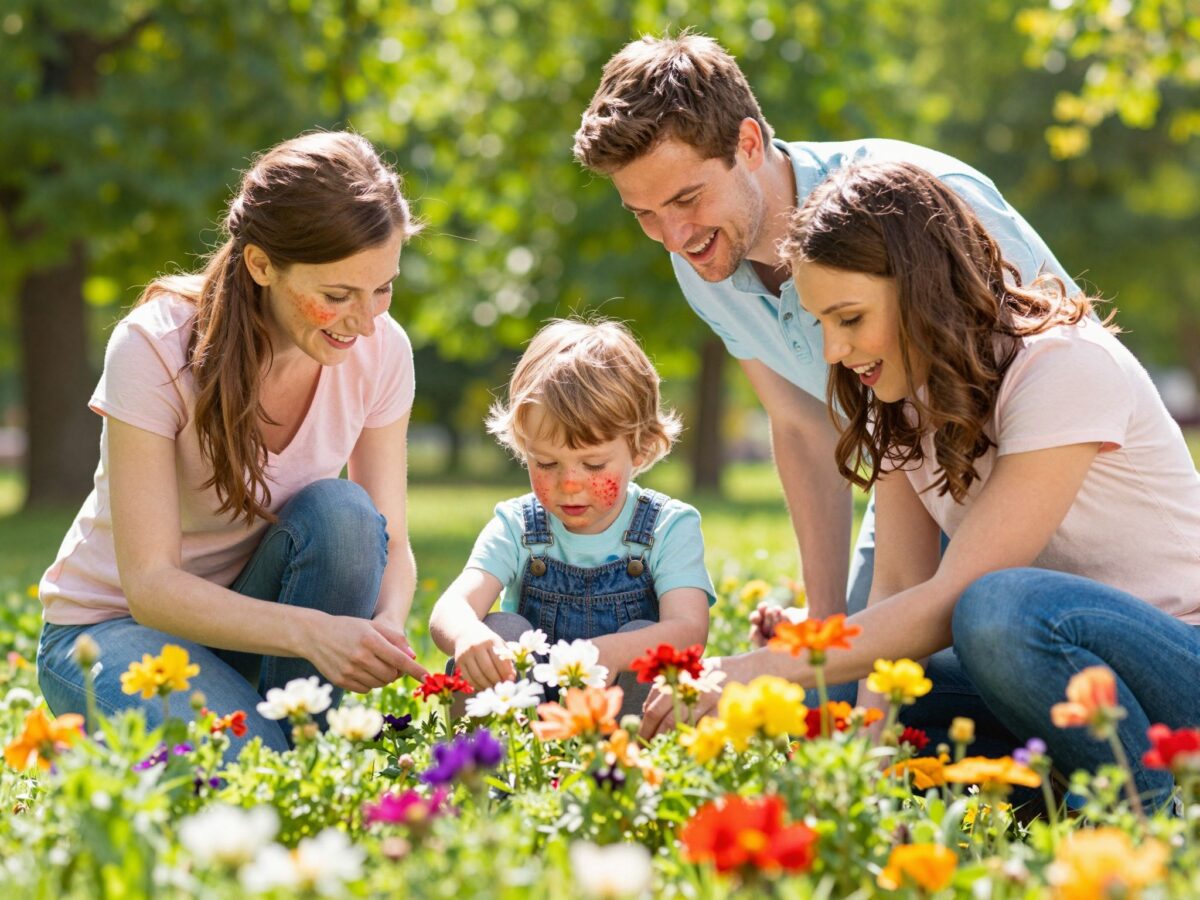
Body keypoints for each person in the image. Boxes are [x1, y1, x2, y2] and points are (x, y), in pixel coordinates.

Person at [653, 160, 1200, 809]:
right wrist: (862, 777)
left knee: (995, 611)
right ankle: (1029, 796)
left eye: (850, 318)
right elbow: (899, 590)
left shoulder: (1063, 367)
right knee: (823, 695)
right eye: (821, 321)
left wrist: (753, 669)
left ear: (922, 290)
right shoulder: (903, 399)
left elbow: (952, 597)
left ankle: (1148, 814)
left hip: (1176, 668)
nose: (832, 350)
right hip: (1058, 670)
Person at [573, 33, 1078, 622]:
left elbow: (1069, 358)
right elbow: (801, 426)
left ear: (748, 142)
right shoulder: (701, 260)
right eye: (645, 215)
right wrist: (824, 618)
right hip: (914, 488)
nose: (675, 237)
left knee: (984, 638)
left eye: (687, 198)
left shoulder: (922, 202)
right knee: (831, 683)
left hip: (1043, 487)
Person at [36, 131, 430, 754]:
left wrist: (385, 624)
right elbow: (151, 585)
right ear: (262, 265)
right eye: (337, 295)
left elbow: (392, 540)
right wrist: (313, 634)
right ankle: (281, 746)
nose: (366, 320)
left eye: (383, 287)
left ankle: (299, 743)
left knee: (346, 515)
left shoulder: (381, 351)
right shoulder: (154, 347)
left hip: (262, 624)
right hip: (112, 632)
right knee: (258, 767)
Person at [429, 319, 714, 711]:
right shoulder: (518, 526)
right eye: (546, 462)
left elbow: (689, 631)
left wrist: (612, 651)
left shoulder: (667, 526)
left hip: (622, 713)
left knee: (650, 640)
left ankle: (635, 760)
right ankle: (487, 757)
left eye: (593, 464)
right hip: (528, 707)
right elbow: (452, 606)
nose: (569, 483)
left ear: (641, 449)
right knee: (499, 629)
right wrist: (465, 634)